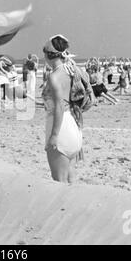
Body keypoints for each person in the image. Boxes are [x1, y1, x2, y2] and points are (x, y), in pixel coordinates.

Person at [41, 34, 92, 183]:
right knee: (71, 181)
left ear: (48, 55)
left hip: (60, 130)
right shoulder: (71, 70)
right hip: (73, 127)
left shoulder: (54, 76)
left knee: (60, 184)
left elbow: (59, 107)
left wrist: (54, 136)